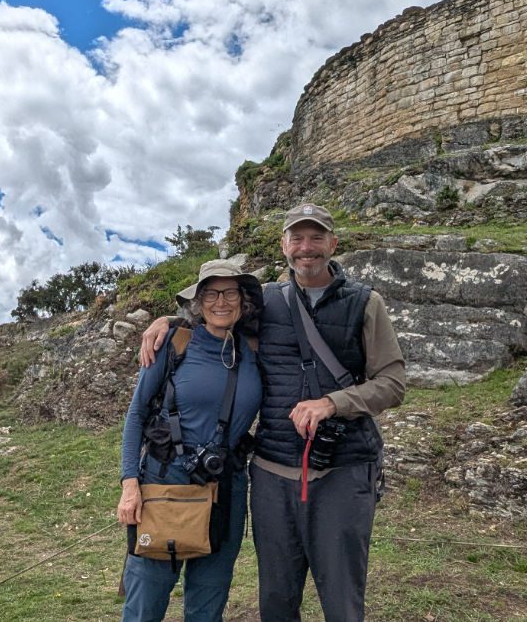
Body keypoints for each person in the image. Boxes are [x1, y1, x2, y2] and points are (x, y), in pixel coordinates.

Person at [139, 203, 405, 622]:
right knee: (276, 601)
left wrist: (334, 403)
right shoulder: (267, 302)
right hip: (273, 472)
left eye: (316, 237)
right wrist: (168, 320)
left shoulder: (365, 304)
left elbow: (393, 383)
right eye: (296, 238)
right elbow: (216, 311)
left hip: (345, 470)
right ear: (283, 245)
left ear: (333, 244)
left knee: (342, 602)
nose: (306, 248)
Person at [118, 259, 264, 622]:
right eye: (211, 293)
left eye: (230, 293)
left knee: (207, 606)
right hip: (166, 486)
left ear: (243, 301)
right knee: (144, 606)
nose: (221, 302)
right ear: (198, 302)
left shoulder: (254, 349)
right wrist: (129, 485)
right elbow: (136, 414)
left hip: (225, 490)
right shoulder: (174, 341)